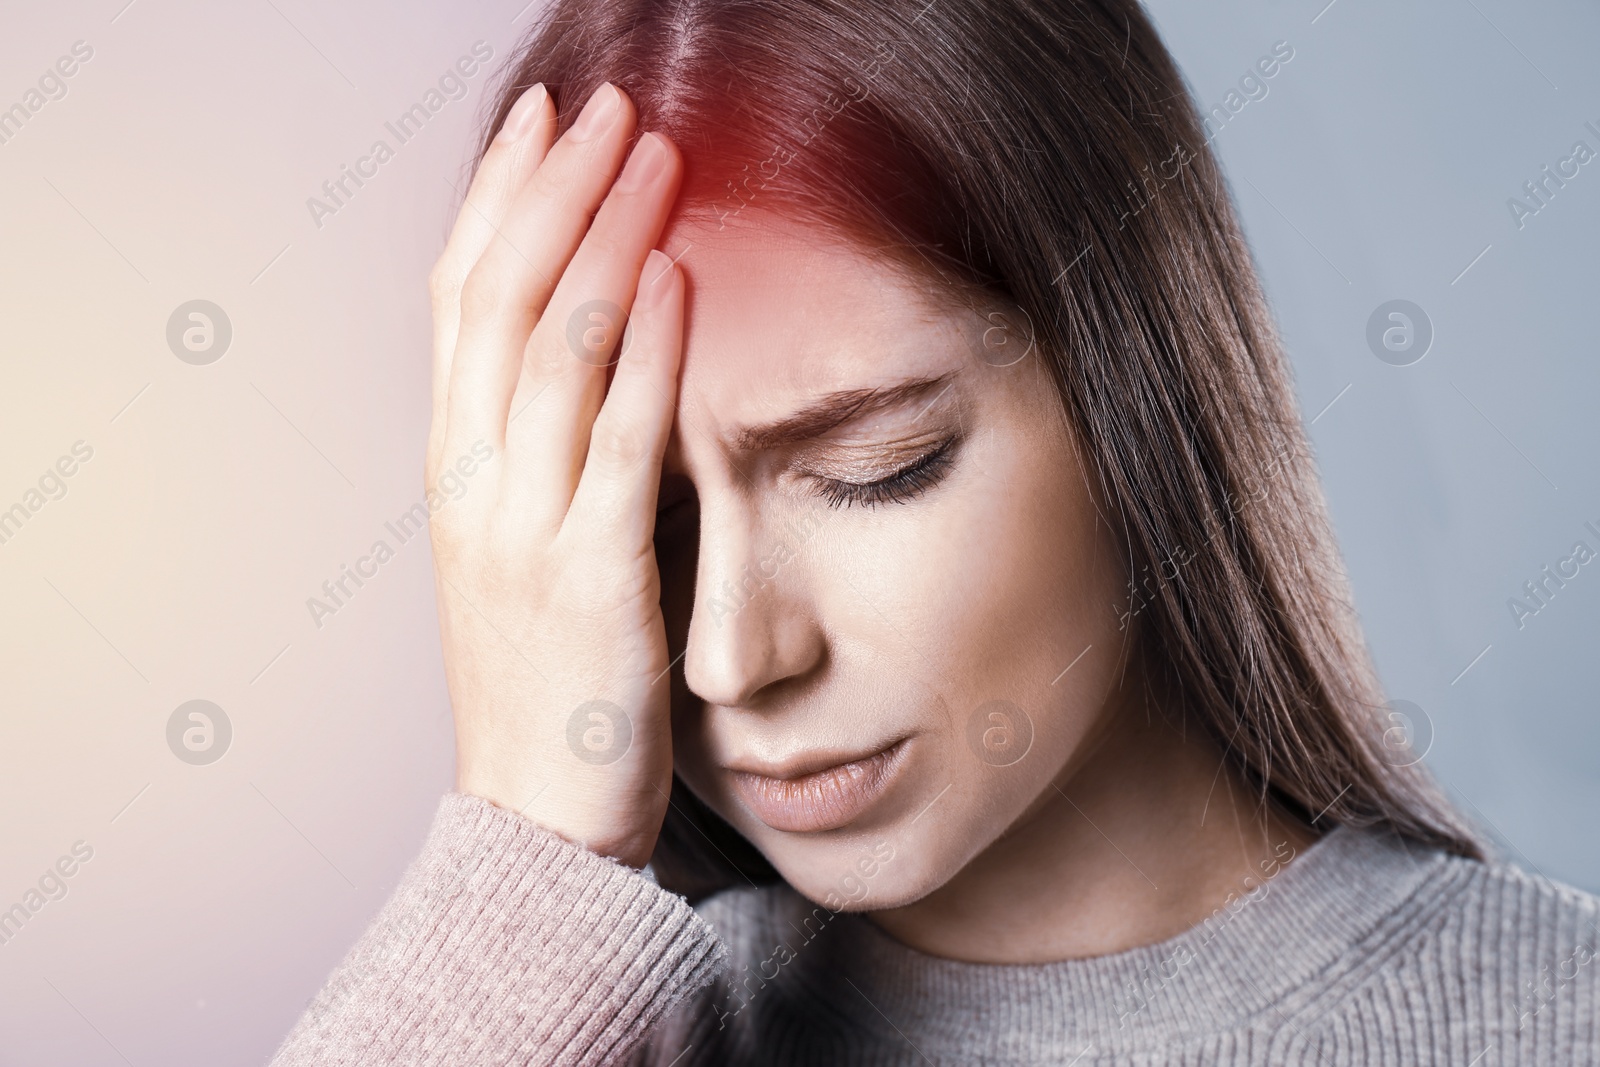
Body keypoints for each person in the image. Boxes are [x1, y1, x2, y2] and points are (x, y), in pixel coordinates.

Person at [270, 0, 1600, 1062]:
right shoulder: (577, 1030)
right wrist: (526, 848)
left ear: (1134, 391)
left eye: (875, 467)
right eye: (642, 522)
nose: (733, 657)